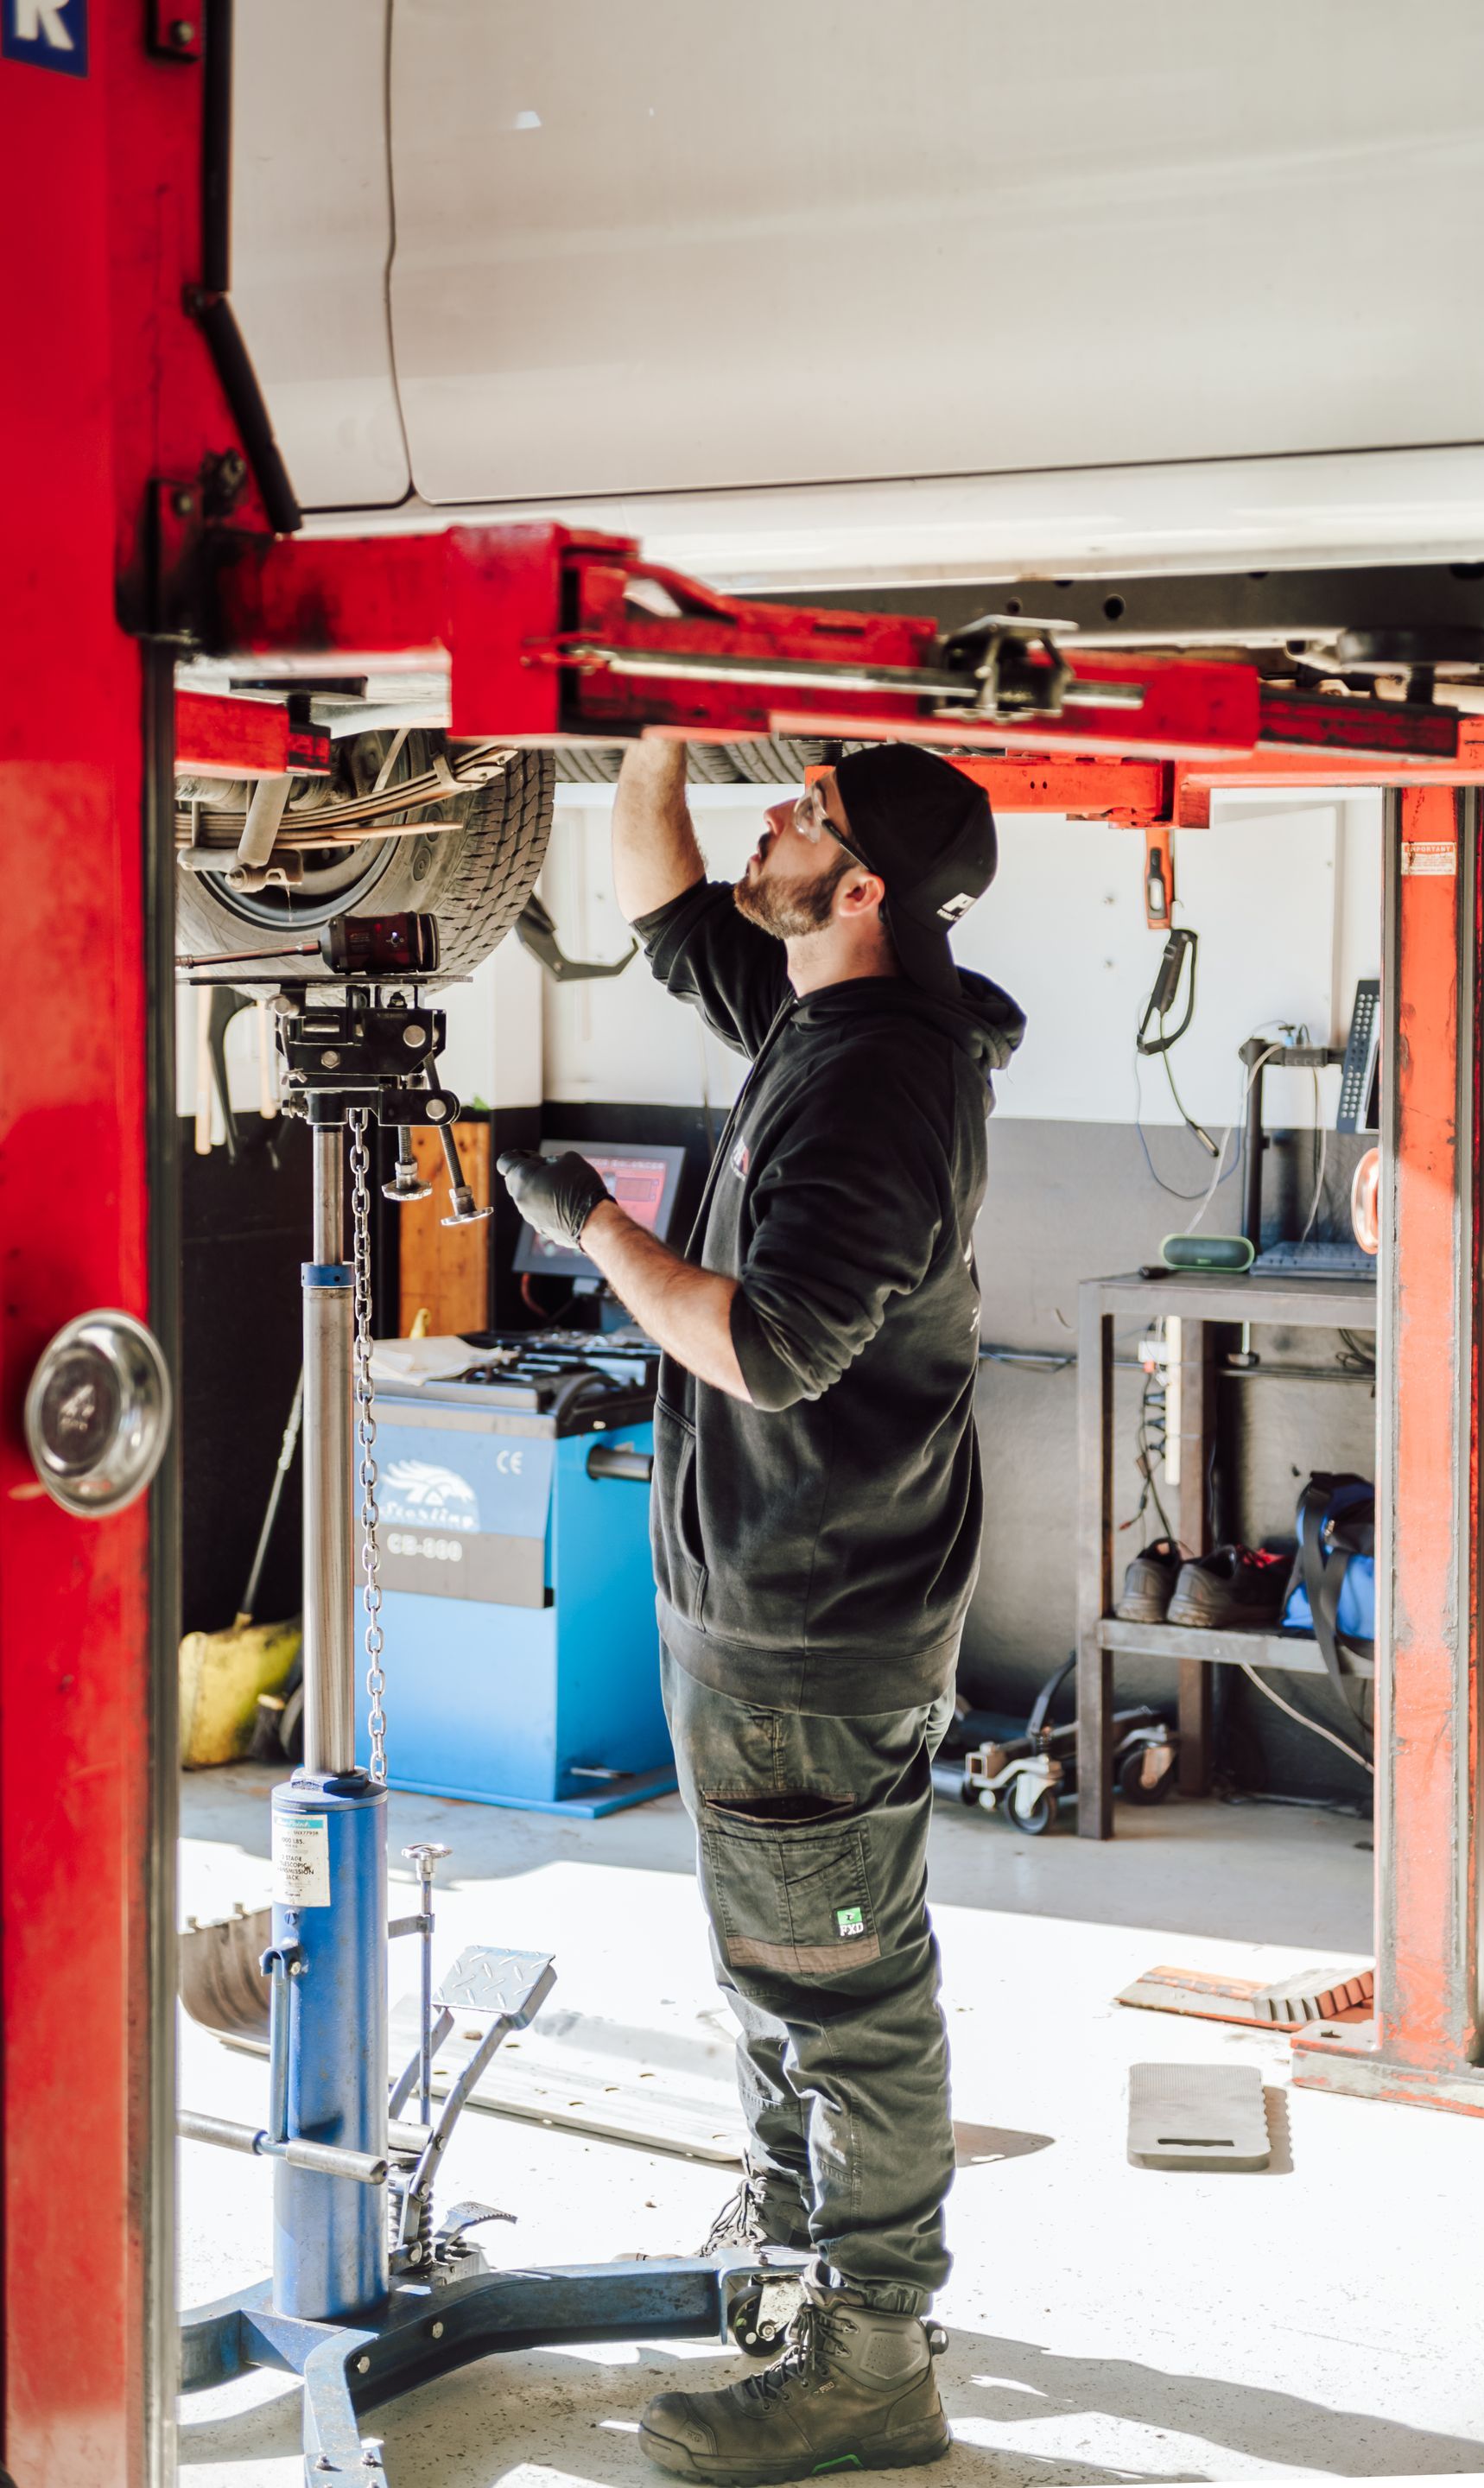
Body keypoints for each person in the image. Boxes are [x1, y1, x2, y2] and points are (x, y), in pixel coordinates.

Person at [498, 738, 1024, 2484]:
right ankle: (806, 2272)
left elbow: (768, 1349)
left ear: (864, 890)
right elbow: (661, 891)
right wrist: (648, 730)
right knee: (781, 1966)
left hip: (815, 1605)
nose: (769, 825)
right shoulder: (819, 1004)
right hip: (771, 1594)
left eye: (804, 819)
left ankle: (871, 2357)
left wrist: (590, 1225)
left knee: (839, 1986)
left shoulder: (881, 1083)